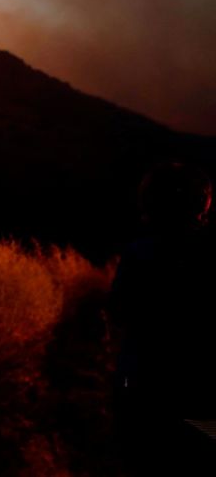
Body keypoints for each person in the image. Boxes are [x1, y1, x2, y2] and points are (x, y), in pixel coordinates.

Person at [108, 162, 215, 473]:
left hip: (145, 396)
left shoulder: (141, 254)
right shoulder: (208, 254)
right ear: (203, 202)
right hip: (202, 397)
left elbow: (119, 312)